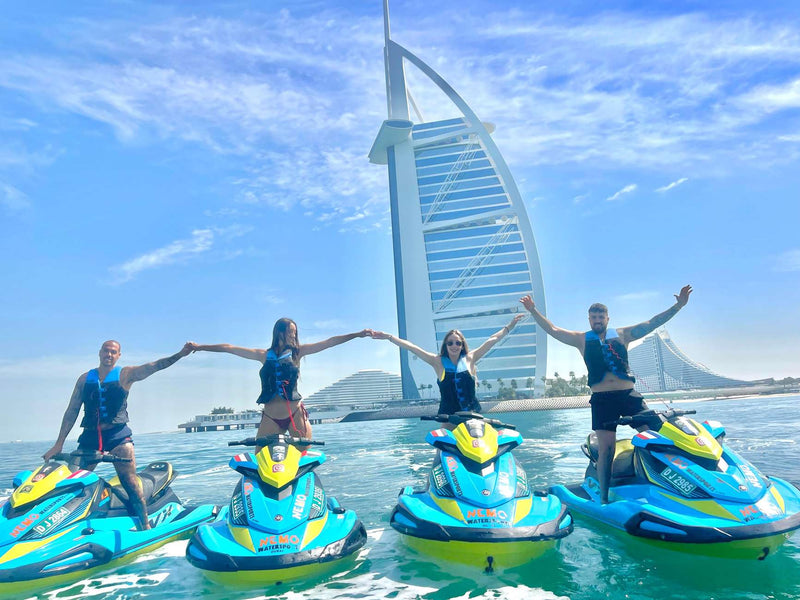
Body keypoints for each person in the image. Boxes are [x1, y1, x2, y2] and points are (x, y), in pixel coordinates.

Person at [519, 285, 692, 503]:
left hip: (629, 396)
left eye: (601, 317)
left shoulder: (623, 334)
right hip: (602, 401)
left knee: (655, 439)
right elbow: (553, 330)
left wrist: (678, 306)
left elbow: (652, 323)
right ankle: (603, 498)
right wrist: (533, 310)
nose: (597, 320)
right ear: (589, 320)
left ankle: (670, 486)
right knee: (607, 449)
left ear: (608, 318)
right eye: (594, 317)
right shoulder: (581, 339)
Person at [43, 340, 194, 530]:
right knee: (72, 482)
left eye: (113, 352)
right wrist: (59, 444)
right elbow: (72, 410)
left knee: (129, 481)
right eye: (106, 351)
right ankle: (60, 525)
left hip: (118, 436)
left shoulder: (126, 374)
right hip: (90, 437)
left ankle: (145, 525)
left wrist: (180, 354)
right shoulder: (84, 379)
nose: (109, 354)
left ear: (118, 355)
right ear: (100, 353)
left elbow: (155, 366)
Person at [189, 319, 371, 445]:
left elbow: (330, 342)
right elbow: (229, 348)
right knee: (261, 460)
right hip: (271, 417)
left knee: (302, 459)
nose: (293, 335)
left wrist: (357, 334)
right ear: (279, 333)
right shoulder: (262, 355)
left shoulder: (298, 353)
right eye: (290, 332)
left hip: (295, 416)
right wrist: (200, 347)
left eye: (295, 332)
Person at [371, 314, 525, 422]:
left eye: (458, 343)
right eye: (450, 343)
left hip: (473, 416)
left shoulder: (471, 358)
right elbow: (412, 347)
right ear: (445, 345)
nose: (454, 346)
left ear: (462, 345)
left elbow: (493, 340)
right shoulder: (437, 361)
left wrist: (510, 326)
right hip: (448, 417)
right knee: (444, 448)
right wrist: (389, 337)